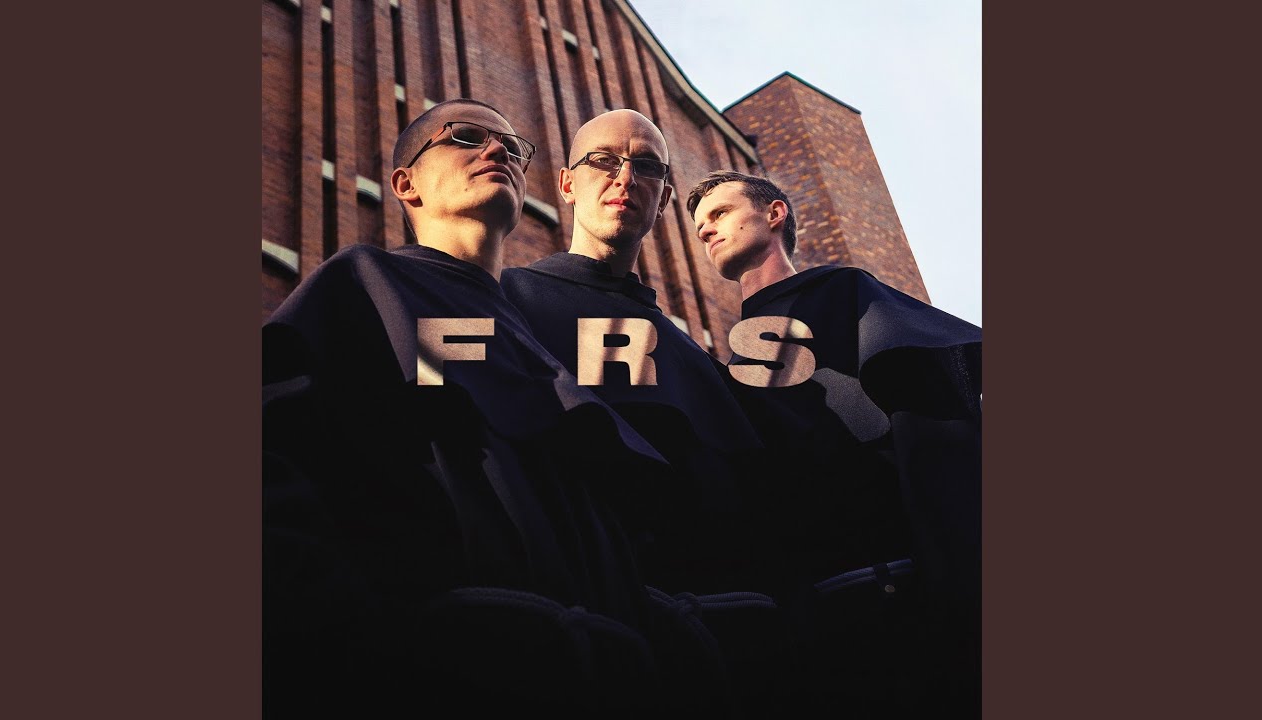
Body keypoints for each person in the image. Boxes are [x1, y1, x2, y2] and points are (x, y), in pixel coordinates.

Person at [263, 99, 715, 718]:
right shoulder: (366, 282)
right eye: (465, 137)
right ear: (406, 184)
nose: (498, 149)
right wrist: (366, 641)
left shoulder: (539, 336)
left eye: (512, 146)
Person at [687, 170, 983, 716]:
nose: (705, 230)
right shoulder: (738, 356)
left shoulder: (843, 292)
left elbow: (937, 421)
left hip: (905, 593)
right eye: (700, 224)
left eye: (720, 213)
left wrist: (951, 571)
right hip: (816, 614)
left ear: (774, 214)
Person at [499, 110, 766, 596]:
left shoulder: (694, 361)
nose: (625, 178)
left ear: (663, 199)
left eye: (646, 166)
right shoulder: (503, 299)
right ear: (567, 184)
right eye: (603, 160)